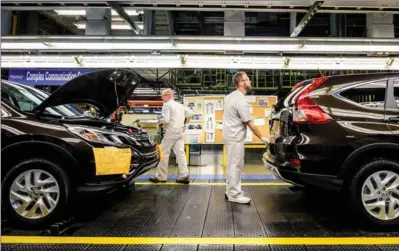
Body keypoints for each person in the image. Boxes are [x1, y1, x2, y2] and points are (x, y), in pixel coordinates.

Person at [223, 71, 269, 204]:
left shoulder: (231, 96)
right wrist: (262, 137)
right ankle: (235, 195)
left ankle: (230, 190)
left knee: (232, 165)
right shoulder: (240, 100)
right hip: (235, 137)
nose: (250, 82)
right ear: (241, 83)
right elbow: (249, 122)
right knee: (236, 166)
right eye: (247, 79)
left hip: (231, 135)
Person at [150, 88, 193, 184]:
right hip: (180, 132)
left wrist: (159, 122)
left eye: (163, 95)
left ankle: (161, 177)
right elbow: (190, 113)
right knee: (180, 153)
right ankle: (184, 175)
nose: (161, 97)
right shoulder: (179, 105)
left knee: (163, 153)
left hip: (171, 132)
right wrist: (184, 123)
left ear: (168, 95)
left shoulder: (167, 105)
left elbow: (166, 120)